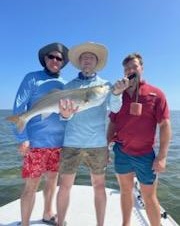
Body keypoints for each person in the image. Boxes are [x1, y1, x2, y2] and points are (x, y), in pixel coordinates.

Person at [57, 42, 129, 226]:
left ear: (96, 62)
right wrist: (64, 115)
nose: (87, 60)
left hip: (97, 144)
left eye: (91, 57)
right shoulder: (68, 86)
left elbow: (115, 108)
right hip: (71, 142)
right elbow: (63, 115)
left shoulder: (105, 85)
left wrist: (118, 94)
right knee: (64, 186)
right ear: (79, 62)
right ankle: (59, 222)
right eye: (83, 57)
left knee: (99, 186)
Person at [107, 53, 171, 226]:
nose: (130, 70)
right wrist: (105, 147)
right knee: (125, 192)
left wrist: (162, 156)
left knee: (149, 197)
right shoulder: (118, 96)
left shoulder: (156, 94)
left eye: (134, 67)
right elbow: (112, 123)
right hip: (121, 151)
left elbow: (165, 125)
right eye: (127, 68)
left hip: (145, 155)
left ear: (141, 68)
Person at [12, 42, 69, 226]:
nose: (54, 60)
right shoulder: (32, 78)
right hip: (35, 143)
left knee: (52, 181)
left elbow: (67, 116)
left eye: (58, 58)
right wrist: (22, 138)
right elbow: (19, 107)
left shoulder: (66, 84)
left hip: (59, 143)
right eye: (51, 57)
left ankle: (47, 213)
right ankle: (25, 223)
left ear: (62, 62)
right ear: (45, 59)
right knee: (31, 186)